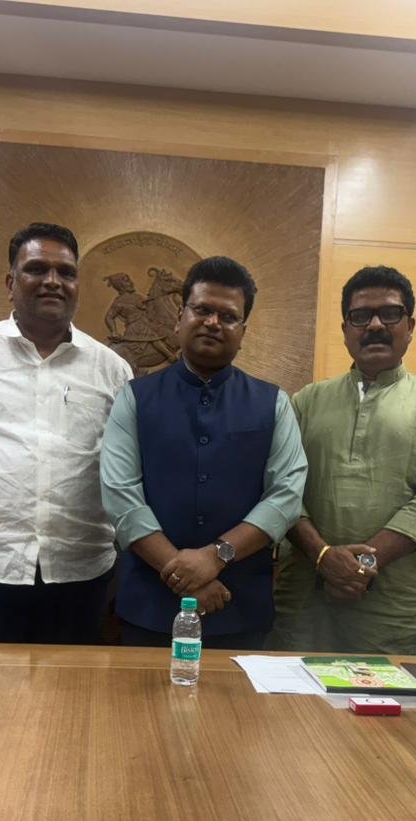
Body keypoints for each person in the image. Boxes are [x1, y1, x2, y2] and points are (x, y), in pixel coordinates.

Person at [100, 256, 307, 649]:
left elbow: (286, 496)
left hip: (239, 609)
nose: (213, 322)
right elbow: (120, 495)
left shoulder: (274, 403)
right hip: (149, 609)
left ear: (243, 331)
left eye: (228, 317)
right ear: (179, 317)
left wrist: (216, 556)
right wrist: (182, 571)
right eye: (202, 310)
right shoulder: (134, 398)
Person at [0, 222, 132, 643]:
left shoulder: (112, 368)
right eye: (37, 269)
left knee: (72, 683)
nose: (52, 281)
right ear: (11, 283)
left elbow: (122, 462)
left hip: (82, 570)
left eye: (66, 272)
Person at [269, 266, 416, 655]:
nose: (375, 325)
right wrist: (323, 557)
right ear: (346, 329)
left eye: (390, 314)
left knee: (382, 695)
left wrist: (360, 565)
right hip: (306, 602)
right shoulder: (306, 401)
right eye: (361, 316)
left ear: (410, 327)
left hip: (392, 607)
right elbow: (282, 489)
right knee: (291, 693)